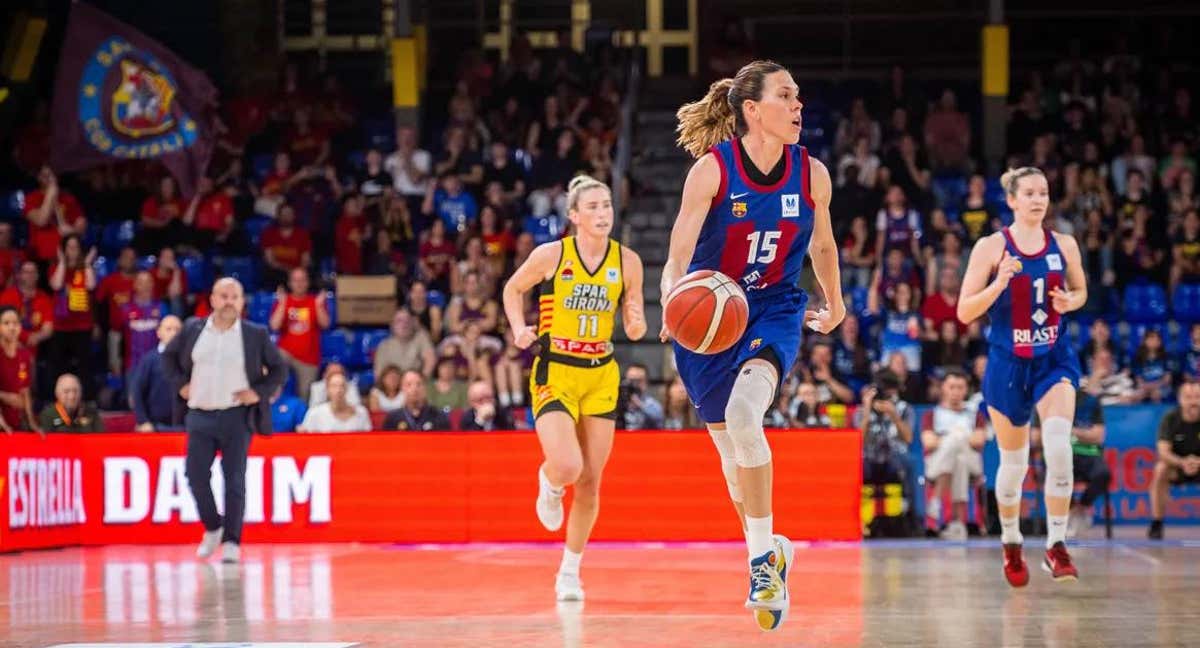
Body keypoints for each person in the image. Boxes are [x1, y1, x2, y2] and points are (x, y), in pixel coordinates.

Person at [665, 60, 842, 627]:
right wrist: (673, 298)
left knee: (747, 417)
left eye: (799, 97)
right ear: (751, 110)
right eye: (786, 96)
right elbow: (676, 254)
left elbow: (824, 248)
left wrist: (834, 303)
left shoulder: (811, 173)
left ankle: (763, 565)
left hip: (771, 309)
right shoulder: (710, 172)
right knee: (729, 459)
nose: (798, 106)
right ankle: (767, 551)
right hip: (710, 317)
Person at [502, 174, 646, 602]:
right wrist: (517, 329)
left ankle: (569, 570)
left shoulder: (629, 261)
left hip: (601, 373)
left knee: (591, 482)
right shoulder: (551, 255)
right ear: (574, 216)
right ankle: (548, 481)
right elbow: (512, 288)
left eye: (607, 206)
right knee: (567, 467)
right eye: (594, 207)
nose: (604, 213)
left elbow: (633, 315)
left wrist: (636, 322)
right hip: (556, 369)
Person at [957, 166, 1088, 587]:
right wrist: (999, 283)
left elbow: (1081, 292)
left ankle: (1056, 544)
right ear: (1011, 200)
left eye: (1044, 193)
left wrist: (1071, 302)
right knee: (1013, 466)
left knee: (1058, 448)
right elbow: (964, 311)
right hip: (1008, 362)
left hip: (1053, 357)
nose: (1038, 200)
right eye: (1029, 193)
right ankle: (1011, 543)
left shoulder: (1064, 244)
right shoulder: (991, 247)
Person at [160, 278, 288, 564]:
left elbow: (279, 369)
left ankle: (232, 540)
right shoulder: (193, 329)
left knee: (234, 480)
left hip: (236, 415)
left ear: (242, 302)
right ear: (213, 299)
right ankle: (213, 527)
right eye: (224, 296)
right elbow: (167, 358)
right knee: (194, 475)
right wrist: (181, 384)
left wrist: (258, 393)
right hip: (199, 414)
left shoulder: (255, 334)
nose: (229, 301)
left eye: (235, 297)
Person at [920, 370, 986, 540]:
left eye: (960, 387)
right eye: (952, 387)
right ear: (943, 388)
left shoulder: (975, 415)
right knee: (959, 459)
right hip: (937, 464)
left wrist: (948, 437)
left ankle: (935, 500)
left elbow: (979, 440)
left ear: (966, 390)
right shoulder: (932, 415)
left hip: (973, 464)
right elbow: (928, 442)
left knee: (959, 449)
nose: (956, 391)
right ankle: (958, 524)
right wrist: (960, 436)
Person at [1148, 381, 1200, 540]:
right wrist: (1182, 463)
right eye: (1188, 397)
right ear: (1180, 399)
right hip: (1177, 467)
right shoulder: (1170, 418)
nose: (1193, 401)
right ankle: (1157, 522)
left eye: (1197, 397)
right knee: (1160, 469)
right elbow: (1163, 452)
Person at [270, 268, 330, 401]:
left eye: (302, 280)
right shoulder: (283, 301)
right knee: (272, 363)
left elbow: (325, 324)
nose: (299, 283)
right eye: (295, 280)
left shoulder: (316, 301)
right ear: (290, 283)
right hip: (285, 353)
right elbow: (274, 326)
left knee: (305, 396)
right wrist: (282, 304)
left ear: (307, 282)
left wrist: (319, 306)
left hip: (309, 357)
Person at [128, 315, 184, 431]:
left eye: (177, 330)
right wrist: (143, 421)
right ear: (159, 333)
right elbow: (137, 391)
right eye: (168, 329)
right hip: (155, 426)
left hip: (184, 427)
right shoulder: (149, 360)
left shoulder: (188, 360)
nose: (173, 333)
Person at [0, 305, 39, 434]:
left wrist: (31, 422)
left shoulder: (25, 355)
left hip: (17, 420)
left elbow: (25, 390)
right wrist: (7, 397)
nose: (12, 327)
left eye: (15, 323)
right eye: (6, 323)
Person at [297, 372, 371, 433]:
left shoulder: (361, 412)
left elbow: (367, 439)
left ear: (347, 389)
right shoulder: (314, 413)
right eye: (334, 386)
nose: (338, 390)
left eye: (342, 386)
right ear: (327, 389)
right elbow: (306, 438)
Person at [383, 369, 451, 431]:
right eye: (409, 385)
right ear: (402, 388)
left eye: (419, 384)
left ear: (425, 388)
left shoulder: (439, 417)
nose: (414, 389)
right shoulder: (392, 419)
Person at [38, 374, 103, 433]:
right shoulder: (48, 415)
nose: (72, 396)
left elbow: (102, 439)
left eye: (75, 391)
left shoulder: (92, 413)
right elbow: (46, 442)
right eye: (66, 391)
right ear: (57, 394)